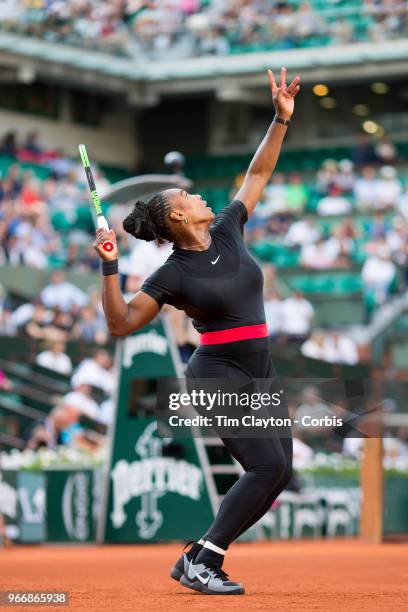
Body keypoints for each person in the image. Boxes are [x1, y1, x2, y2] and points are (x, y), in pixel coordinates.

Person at [93, 67, 300, 596]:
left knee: (278, 471)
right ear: (178, 216)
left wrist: (279, 120)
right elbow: (120, 324)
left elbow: (256, 176)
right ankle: (205, 559)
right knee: (266, 464)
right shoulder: (171, 274)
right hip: (219, 374)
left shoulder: (228, 227)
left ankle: (200, 555)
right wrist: (110, 269)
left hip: (261, 372)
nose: (199, 196)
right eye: (187, 195)